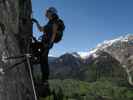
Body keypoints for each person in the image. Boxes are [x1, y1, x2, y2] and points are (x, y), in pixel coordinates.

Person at [32, 7, 60, 83]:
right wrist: (36, 22)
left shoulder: (54, 22)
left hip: (47, 44)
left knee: (44, 60)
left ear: (51, 13)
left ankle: (45, 80)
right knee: (42, 58)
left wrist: (49, 45)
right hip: (45, 43)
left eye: (47, 12)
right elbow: (41, 29)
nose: (46, 13)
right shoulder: (50, 22)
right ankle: (36, 60)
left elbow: (54, 34)